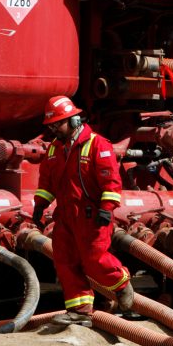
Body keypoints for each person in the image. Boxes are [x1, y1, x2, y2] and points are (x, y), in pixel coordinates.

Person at [33, 95, 134, 326]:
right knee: (65, 260)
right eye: (51, 125)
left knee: (94, 259)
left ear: (74, 120)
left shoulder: (98, 145)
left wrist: (107, 209)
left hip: (92, 216)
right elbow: (47, 182)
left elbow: (111, 182)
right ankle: (79, 311)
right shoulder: (54, 149)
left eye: (58, 124)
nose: (54, 129)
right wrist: (40, 205)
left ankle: (121, 283)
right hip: (66, 216)